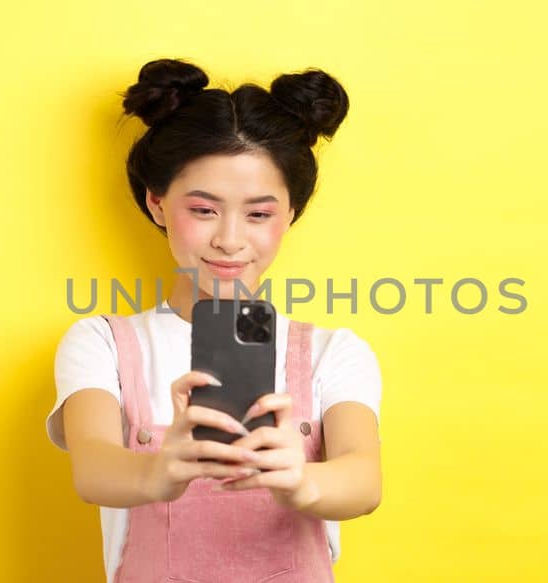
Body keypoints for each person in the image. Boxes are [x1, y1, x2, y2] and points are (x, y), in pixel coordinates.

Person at [44, 58, 383, 582]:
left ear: (291, 213)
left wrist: (302, 481)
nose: (229, 238)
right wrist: (159, 470)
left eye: (259, 213)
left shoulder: (332, 352)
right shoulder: (103, 342)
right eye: (203, 210)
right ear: (157, 203)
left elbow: (363, 480)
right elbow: (93, 469)